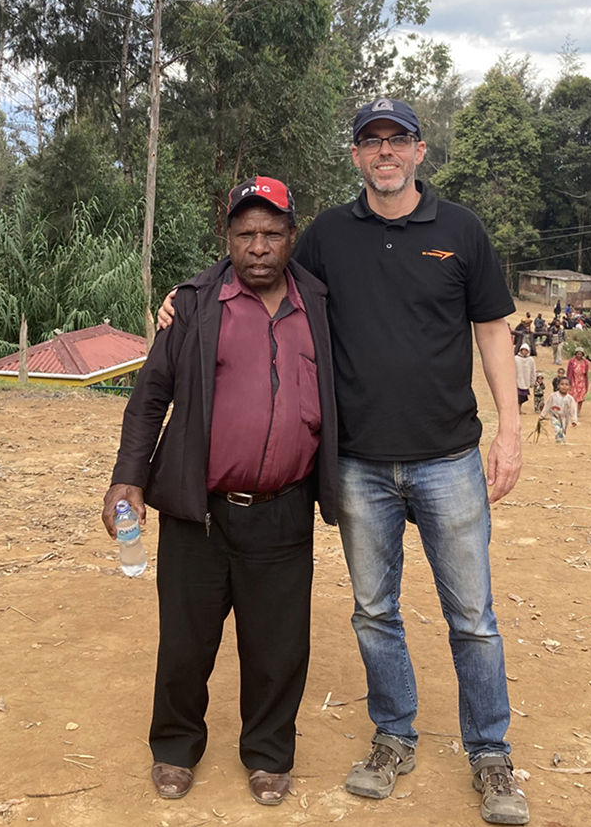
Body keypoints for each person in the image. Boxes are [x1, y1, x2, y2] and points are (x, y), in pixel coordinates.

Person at [159, 98, 528, 825]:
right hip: (359, 465)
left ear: (422, 151)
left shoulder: (461, 232)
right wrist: (184, 297)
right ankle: (394, 737)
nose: (384, 152)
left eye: (398, 140)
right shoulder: (328, 233)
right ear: (356, 156)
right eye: (371, 141)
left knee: (474, 617)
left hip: (449, 457)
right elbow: (254, 258)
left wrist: (508, 431)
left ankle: (490, 753)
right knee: (374, 612)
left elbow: (493, 331)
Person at [102, 177, 339, 808]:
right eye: (245, 234)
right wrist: (127, 477)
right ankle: (175, 747)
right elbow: (150, 395)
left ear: (292, 237)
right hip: (198, 512)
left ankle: (267, 754)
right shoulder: (194, 304)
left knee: (278, 645)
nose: (258, 247)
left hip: (284, 508)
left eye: (271, 233)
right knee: (186, 641)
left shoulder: (319, 303)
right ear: (227, 239)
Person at [542, 376, 578, 443]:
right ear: (558, 386)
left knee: (563, 429)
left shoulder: (570, 399)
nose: (564, 386)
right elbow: (547, 406)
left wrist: (574, 420)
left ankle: (560, 439)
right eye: (562, 384)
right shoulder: (553, 396)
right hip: (554, 416)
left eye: (566, 384)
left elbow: (573, 410)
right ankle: (559, 442)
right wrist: (542, 416)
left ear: (570, 387)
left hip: (565, 417)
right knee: (558, 428)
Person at [566, 347, 590, 415]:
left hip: (582, 381)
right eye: (578, 354)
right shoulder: (571, 362)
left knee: (581, 396)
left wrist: (586, 383)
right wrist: (569, 382)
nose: (579, 355)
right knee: (572, 396)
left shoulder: (586, 362)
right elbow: (569, 372)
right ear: (575, 354)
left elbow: (586, 373)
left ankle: (578, 411)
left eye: (580, 354)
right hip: (574, 380)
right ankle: (571, 410)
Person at [515, 343, 536, 413]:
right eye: (523, 350)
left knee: (522, 397)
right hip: (517, 381)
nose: (524, 352)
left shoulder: (530, 360)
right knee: (518, 397)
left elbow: (533, 371)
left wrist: (532, 381)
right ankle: (518, 410)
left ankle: (519, 409)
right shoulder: (516, 359)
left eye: (526, 350)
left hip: (526, 381)